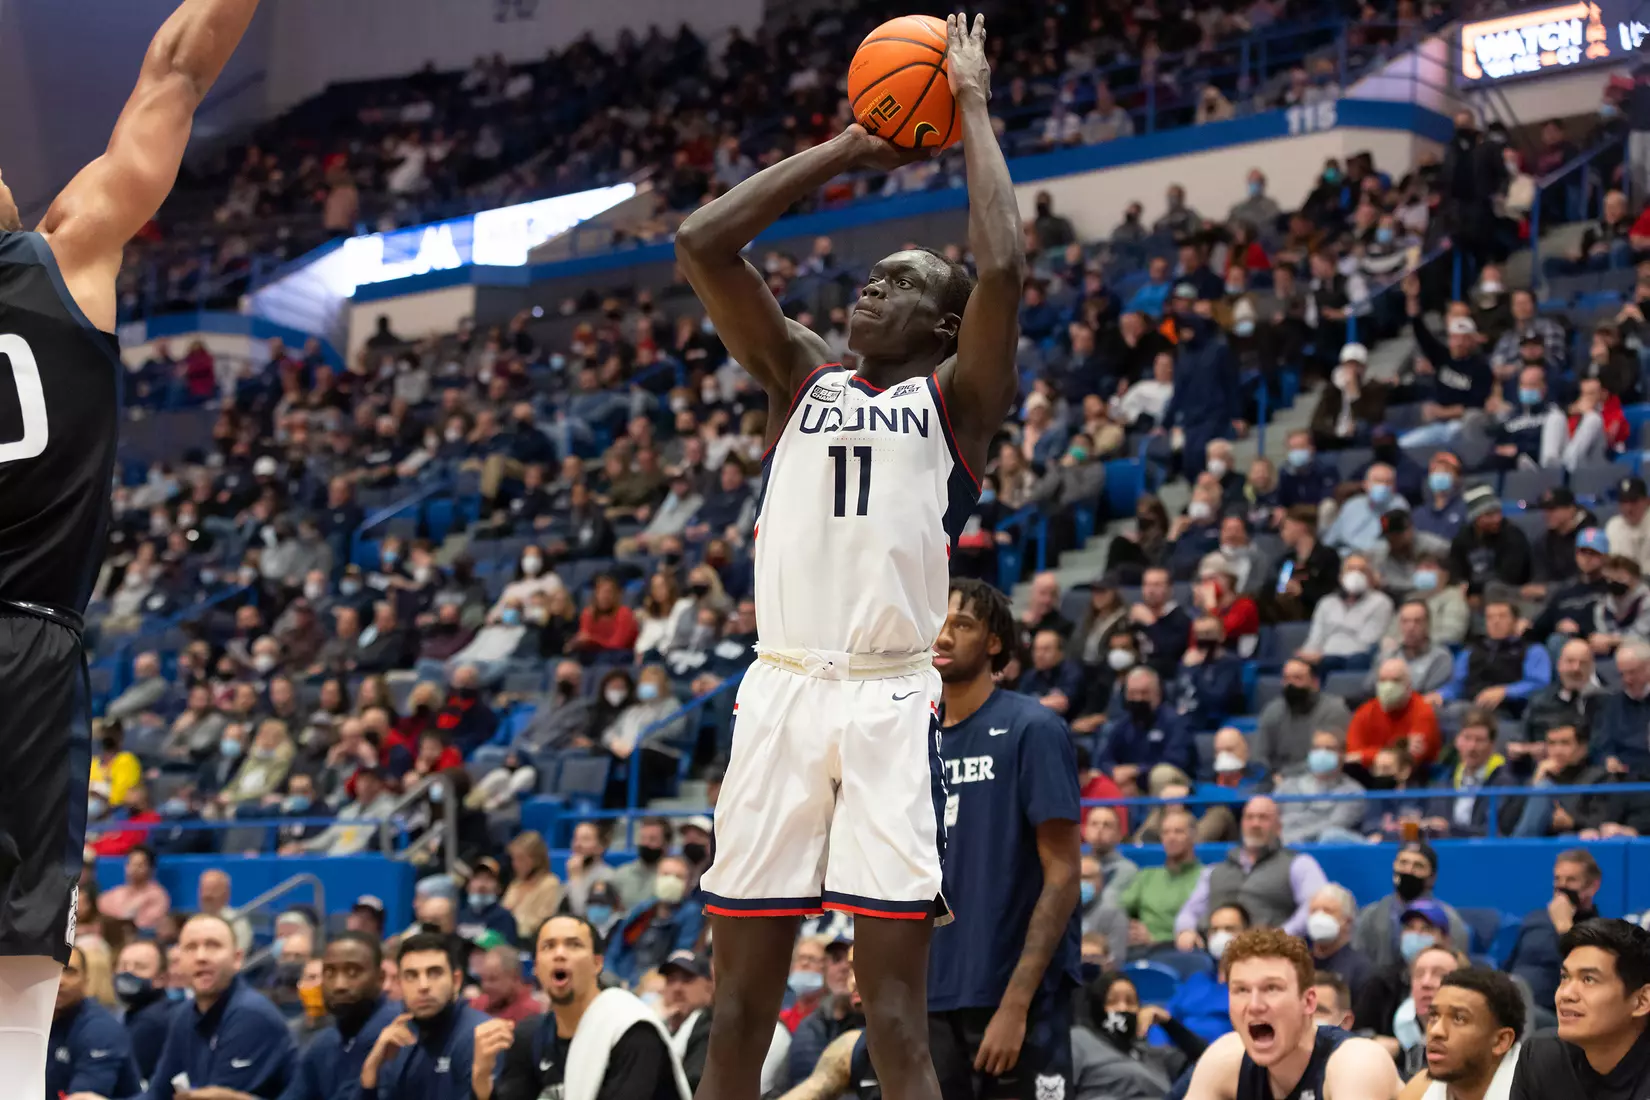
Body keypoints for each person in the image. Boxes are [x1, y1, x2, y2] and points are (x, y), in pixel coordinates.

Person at [676, 18, 1022, 1100]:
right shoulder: (801, 378)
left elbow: (1003, 259)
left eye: (899, 282)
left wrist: (965, 103)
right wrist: (846, 148)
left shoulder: (958, 405)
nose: (868, 292)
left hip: (883, 703)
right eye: (867, 280)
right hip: (779, 690)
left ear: (945, 321)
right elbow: (702, 242)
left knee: (894, 1019)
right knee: (735, 1010)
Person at [0, 0, 262, 1085]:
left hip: (31, 630)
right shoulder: (75, 247)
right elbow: (176, 68)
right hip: (29, 641)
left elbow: (178, 63)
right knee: (21, 912)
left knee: (23, 918)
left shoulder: (71, 248)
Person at [928, 579, 1082, 1098]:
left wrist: (1016, 1004)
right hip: (929, 995)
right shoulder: (909, 740)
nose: (943, 637)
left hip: (1013, 999)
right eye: (938, 623)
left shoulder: (1032, 728)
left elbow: (1063, 875)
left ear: (995, 642)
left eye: (962, 625)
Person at [76, 913, 296, 1099]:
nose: (201, 957)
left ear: (237, 959)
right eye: (191, 947)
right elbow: (157, 1094)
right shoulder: (184, 1015)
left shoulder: (250, 1015)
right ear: (178, 962)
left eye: (213, 946)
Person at [470, 914, 690, 1100]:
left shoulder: (631, 1029)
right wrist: (481, 1077)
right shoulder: (530, 1036)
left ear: (597, 964)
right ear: (536, 968)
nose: (559, 954)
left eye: (574, 945)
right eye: (548, 946)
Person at [1181, 928, 1401, 1100]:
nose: (1254, 1004)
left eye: (1272, 988)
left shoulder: (1355, 1063)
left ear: (1308, 1001)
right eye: (1241, 990)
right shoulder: (1225, 1059)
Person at [1508, 919, 1650, 1100]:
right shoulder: (1542, 1056)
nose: (1565, 994)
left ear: (1641, 1001)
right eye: (1565, 977)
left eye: (1589, 979)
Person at [1174, 797, 1329, 944]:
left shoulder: (1299, 864)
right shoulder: (1214, 871)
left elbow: (1314, 906)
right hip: (1214, 951)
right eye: (1249, 817)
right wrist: (1185, 930)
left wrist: (1280, 937)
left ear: (1278, 827)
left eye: (1263, 818)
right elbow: (1190, 910)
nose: (1255, 824)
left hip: (1271, 954)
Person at [360, 932, 489, 1098]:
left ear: (456, 981)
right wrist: (369, 1074)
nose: (423, 986)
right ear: (400, 984)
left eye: (434, 973)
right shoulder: (396, 1037)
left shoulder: (478, 1036)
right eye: (411, 976)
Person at [282, 932, 400, 1100]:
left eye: (353, 973)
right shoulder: (324, 1043)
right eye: (329, 972)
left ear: (380, 978)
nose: (339, 985)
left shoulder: (395, 1032)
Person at [1400, 968, 1524, 1100]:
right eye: (1434, 1016)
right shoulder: (1420, 1090)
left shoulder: (1538, 1091)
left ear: (1501, 1040)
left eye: (1459, 1019)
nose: (1436, 1031)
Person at [1506, 850, 1605, 1014]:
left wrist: (1564, 926)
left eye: (1571, 880)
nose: (1562, 886)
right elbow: (1509, 965)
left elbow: (1587, 971)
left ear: (1593, 886)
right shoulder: (1535, 919)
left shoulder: (1599, 930)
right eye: (1557, 879)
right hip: (1512, 1001)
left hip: (1554, 1013)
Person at [47, 944, 140, 1100]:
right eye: (51, 971)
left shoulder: (100, 1030)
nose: (60, 980)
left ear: (86, 979)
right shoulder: (30, 1021)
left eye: (69, 971)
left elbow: (82, 1098)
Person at [1121, 808, 1205, 949]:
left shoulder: (1205, 876)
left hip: (1183, 950)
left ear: (1193, 836)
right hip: (1142, 950)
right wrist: (1131, 928)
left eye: (1178, 831)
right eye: (1166, 832)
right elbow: (1120, 907)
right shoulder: (1147, 875)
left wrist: (1155, 940)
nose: (1171, 837)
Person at [112, 939, 174, 1083]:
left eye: (139, 967)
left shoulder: (151, 1021)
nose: (128, 972)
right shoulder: (137, 1013)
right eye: (123, 965)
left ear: (161, 978)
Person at [1306, 886, 1375, 1003]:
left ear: (1347, 921)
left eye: (1328, 911)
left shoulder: (1362, 970)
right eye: (1314, 911)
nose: (1319, 917)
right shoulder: (1299, 963)